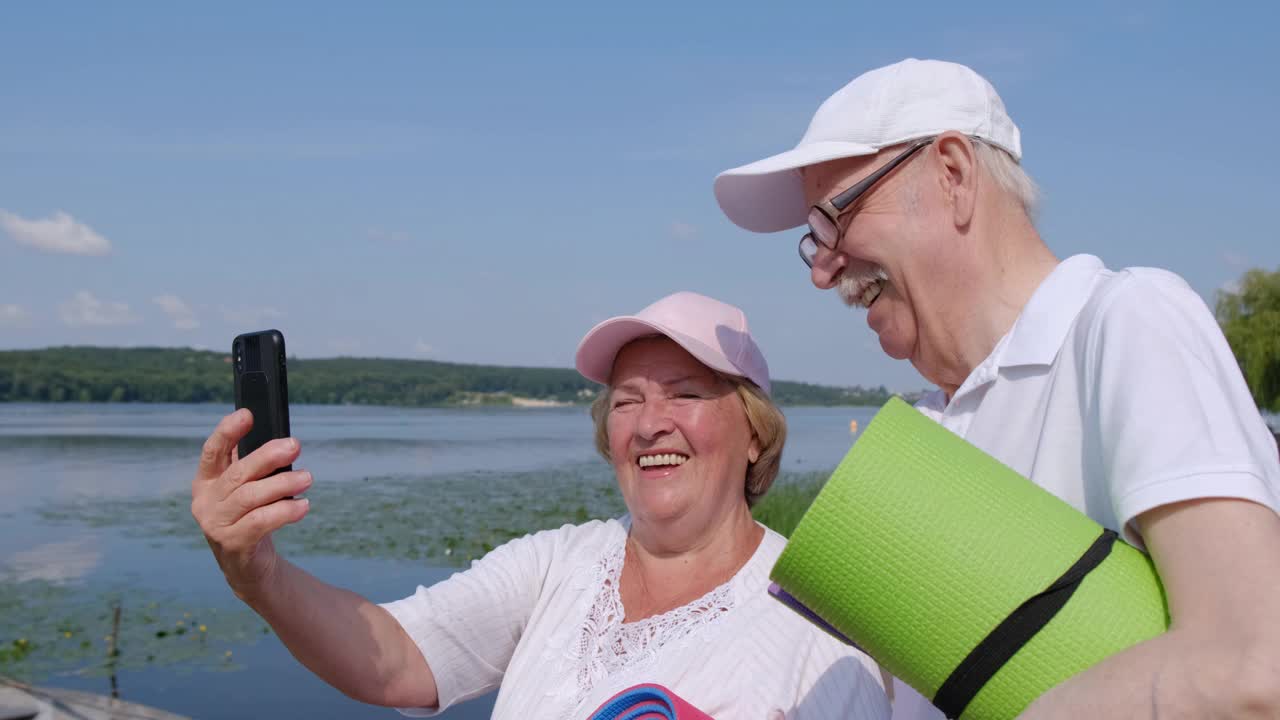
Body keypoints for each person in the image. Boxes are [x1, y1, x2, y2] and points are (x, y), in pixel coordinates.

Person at [713, 58, 1280, 719]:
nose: (824, 268)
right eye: (815, 240)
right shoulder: (921, 436)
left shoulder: (1125, 325)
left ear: (953, 173)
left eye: (835, 216)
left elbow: (1249, 668)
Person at [190, 291, 890, 720]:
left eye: (685, 392)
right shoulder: (558, 563)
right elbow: (396, 659)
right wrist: (260, 576)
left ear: (753, 432)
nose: (650, 423)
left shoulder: (819, 630)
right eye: (627, 400)